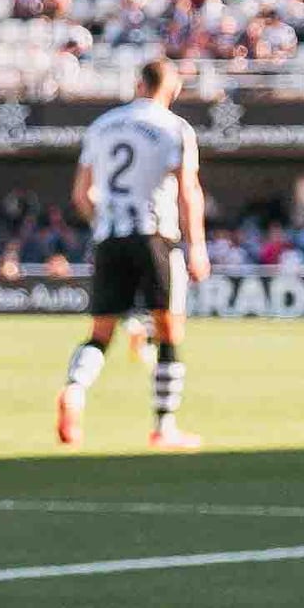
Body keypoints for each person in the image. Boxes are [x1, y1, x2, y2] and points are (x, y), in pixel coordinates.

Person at [61, 59, 206, 452]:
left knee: (100, 333)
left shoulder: (102, 125)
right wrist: (198, 247)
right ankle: (164, 426)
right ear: (171, 90)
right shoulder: (175, 128)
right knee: (169, 330)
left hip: (109, 237)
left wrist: (103, 220)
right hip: (154, 236)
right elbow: (187, 191)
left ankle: (74, 391)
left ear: (139, 83)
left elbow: (80, 195)